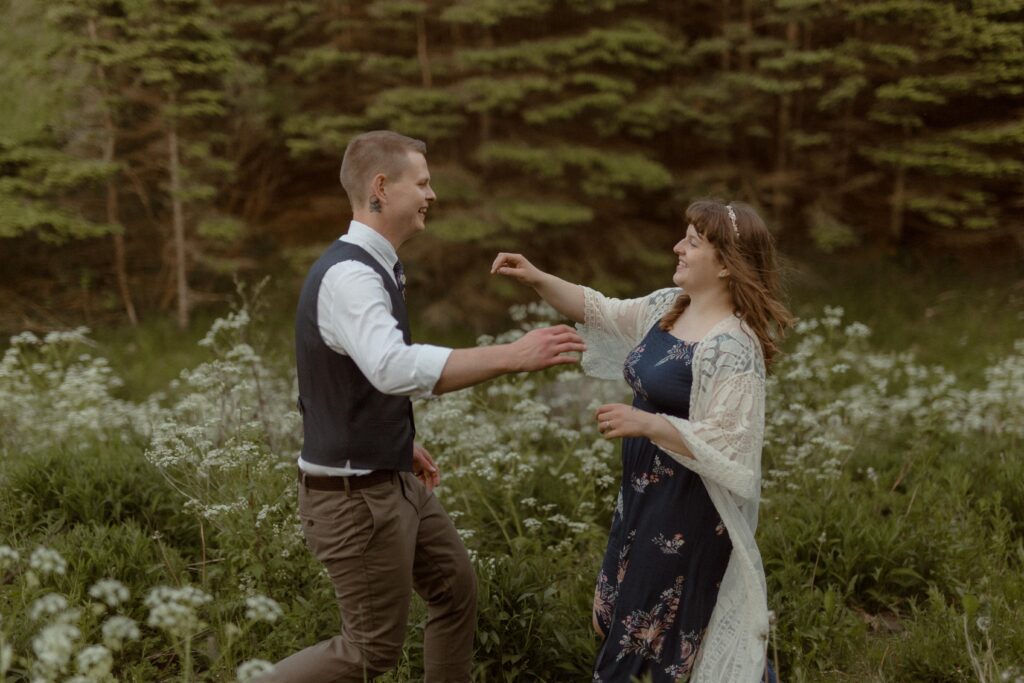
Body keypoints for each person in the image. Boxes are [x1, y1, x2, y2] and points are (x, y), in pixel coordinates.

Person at [262, 131, 585, 683]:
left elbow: (344, 377)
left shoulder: (375, 266)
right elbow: (390, 367)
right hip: (354, 499)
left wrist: (395, 439)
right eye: (423, 182)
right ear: (380, 188)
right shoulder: (351, 276)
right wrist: (512, 355)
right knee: (368, 651)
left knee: (455, 589)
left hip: (388, 478)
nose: (432, 194)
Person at [492, 200, 792, 682]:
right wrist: (535, 277)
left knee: (644, 623)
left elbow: (731, 445)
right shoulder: (667, 309)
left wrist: (648, 424)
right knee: (646, 615)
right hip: (643, 496)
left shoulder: (733, 345)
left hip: (689, 510)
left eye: (692, 242)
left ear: (724, 264)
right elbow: (599, 309)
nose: (678, 247)